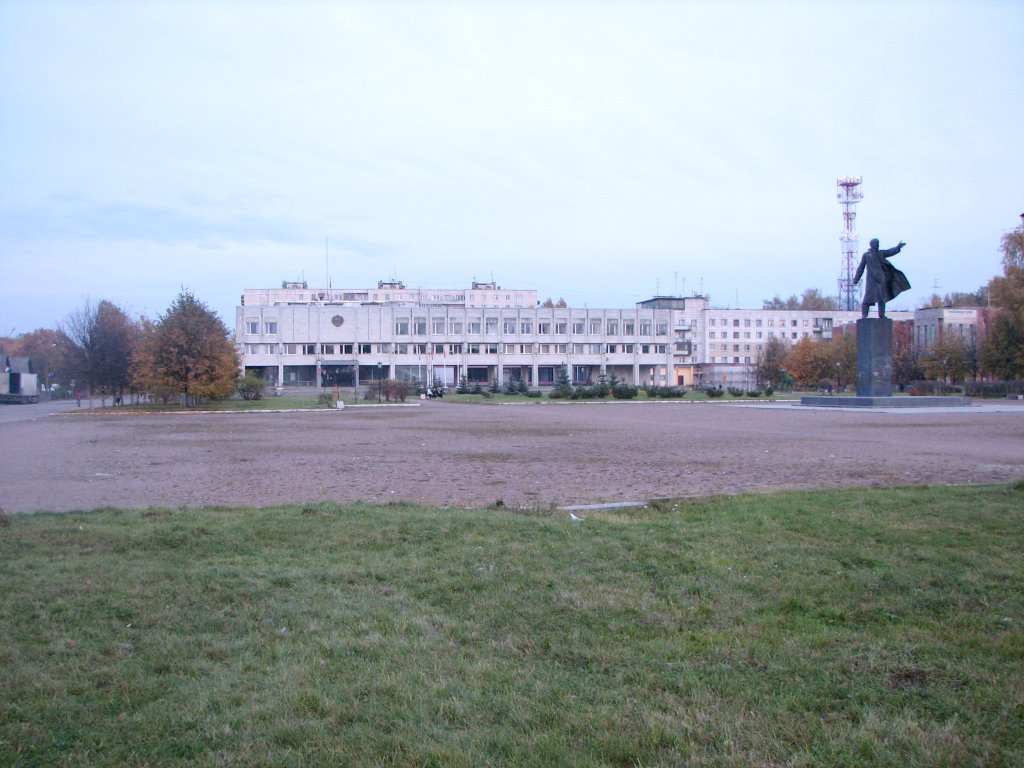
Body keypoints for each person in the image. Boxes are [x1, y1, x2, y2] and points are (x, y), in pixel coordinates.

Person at [853, 238, 909, 318]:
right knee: (867, 298)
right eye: (875, 243)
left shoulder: (880, 253)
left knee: (882, 298)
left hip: (882, 279)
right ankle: (864, 315)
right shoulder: (866, 255)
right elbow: (861, 268)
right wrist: (856, 279)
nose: (877, 245)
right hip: (871, 280)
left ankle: (881, 315)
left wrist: (898, 247)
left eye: (878, 243)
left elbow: (890, 252)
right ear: (871, 244)